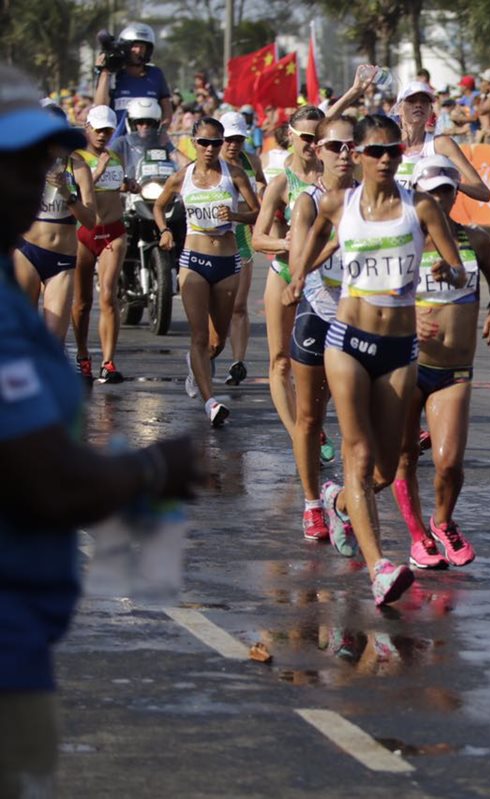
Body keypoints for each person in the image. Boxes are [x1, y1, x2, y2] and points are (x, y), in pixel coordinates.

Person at [0, 65, 198, 797]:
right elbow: (46, 480)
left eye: (40, 161)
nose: (33, 180)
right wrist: (150, 473)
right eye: (15, 163)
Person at [296, 115, 469, 606]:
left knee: (386, 469)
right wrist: (297, 276)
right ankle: (379, 569)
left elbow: (459, 270)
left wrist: (447, 270)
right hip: (348, 341)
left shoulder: (421, 207)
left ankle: (337, 500)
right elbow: (312, 241)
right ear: (358, 155)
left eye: (393, 150)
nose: (386, 159)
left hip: (399, 350)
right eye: (376, 151)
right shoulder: (339, 203)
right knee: (358, 452)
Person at [392, 155, 490, 569]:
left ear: (456, 194)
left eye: (447, 191)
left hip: (453, 371)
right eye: (431, 192)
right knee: (402, 458)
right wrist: (408, 316)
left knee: (449, 463)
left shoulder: (475, 240)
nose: (440, 199)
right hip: (405, 364)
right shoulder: (402, 242)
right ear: (416, 194)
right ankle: (417, 537)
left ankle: (442, 522)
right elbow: (370, 295)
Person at [279, 114, 357, 542]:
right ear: (318, 151)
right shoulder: (308, 202)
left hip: (360, 319)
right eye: (334, 146)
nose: (344, 154)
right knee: (310, 416)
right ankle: (312, 502)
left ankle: (344, 497)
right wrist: (337, 239)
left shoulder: (371, 197)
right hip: (319, 313)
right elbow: (297, 266)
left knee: (356, 420)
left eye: (350, 146)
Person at [154, 117, 260, 425]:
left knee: (217, 341)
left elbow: (257, 211)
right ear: (193, 143)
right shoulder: (181, 177)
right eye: (204, 142)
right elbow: (159, 206)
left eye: (216, 142)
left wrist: (236, 216)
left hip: (227, 263)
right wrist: (164, 230)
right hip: (194, 261)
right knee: (199, 335)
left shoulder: (234, 174)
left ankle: (195, 366)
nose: (210, 148)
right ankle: (211, 402)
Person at [253, 106, 324, 439]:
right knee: (281, 361)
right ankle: (301, 437)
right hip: (283, 272)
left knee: (324, 364)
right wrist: (286, 243)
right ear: (291, 137)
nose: (312, 143)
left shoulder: (333, 177)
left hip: (324, 279)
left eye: (318, 137)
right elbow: (257, 238)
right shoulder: (281, 183)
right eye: (306, 137)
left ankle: (311, 423)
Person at [14, 106, 96, 344]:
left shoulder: (78, 167)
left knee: (54, 341)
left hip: (61, 259)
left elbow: (90, 220)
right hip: (27, 252)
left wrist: (66, 193)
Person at [71, 105, 129, 384]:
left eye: (108, 130)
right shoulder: (76, 158)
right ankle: (83, 357)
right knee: (82, 302)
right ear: (88, 128)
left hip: (113, 231)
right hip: (83, 232)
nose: (103, 135)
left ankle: (108, 361)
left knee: (108, 294)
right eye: (98, 130)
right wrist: (99, 170)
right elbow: (75, 192)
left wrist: (129, 184)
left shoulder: (115, 156)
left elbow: (117, 188)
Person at [218, 110, 266, 386]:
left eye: (238, 139)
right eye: (228, 139)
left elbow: (263, 186)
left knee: (238, 305)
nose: (233, 144)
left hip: (242, 235)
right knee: (216, 307)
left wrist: (261, 201)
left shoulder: (252, 161)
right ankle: (207, 353)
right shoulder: (211, 162)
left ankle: (238, 363)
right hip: (214, 238)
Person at [391, 81, 490, 201]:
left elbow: (484, 193)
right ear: (399, 109)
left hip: (430, 212)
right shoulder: (388, 143)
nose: (418, 105)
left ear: (430, 110)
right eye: (411, 101)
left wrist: (450, 183)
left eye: (424, 101)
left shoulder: (442, 144)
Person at [93, 22, 173, 135]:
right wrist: (105, 71)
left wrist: (162, 132)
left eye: (142, 47)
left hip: (148, 141)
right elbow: (100, 107)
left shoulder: (156, 75)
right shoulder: (114, 75)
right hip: (117, 141)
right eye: (134, 46)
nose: (138, 51)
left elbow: (167, 108)